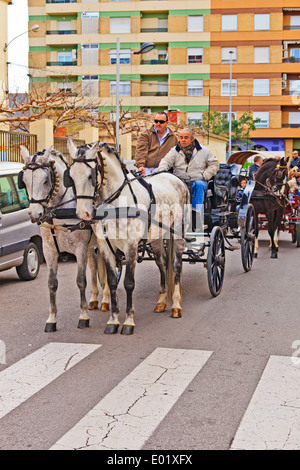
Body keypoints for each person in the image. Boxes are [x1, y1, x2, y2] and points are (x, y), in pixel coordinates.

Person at [158, 128, 219, 209]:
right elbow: (165, 162)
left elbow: (214, 164)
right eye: (181, 137)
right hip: (179, 181)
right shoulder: (174, 151)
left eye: (186, 138)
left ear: (192, 139)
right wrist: (162, 172)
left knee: (199, 186)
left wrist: (204, 175)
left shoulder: (204, 151)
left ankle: (196, 214)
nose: (183, 140)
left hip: (198, 180)